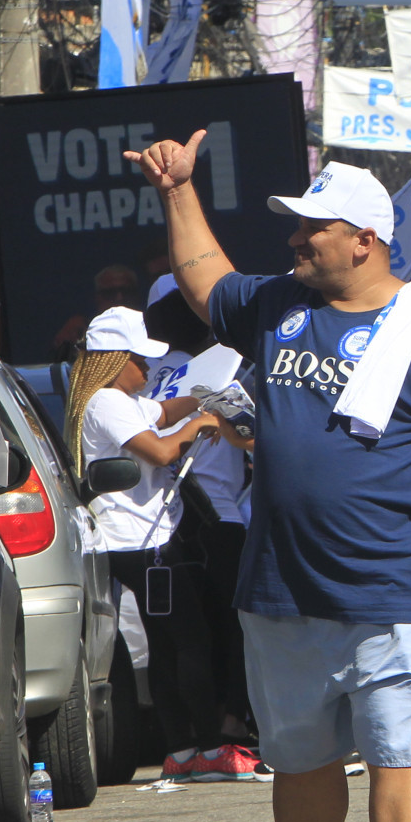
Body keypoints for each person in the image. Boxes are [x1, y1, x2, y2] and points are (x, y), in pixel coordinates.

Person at [124, 133, 411, 822]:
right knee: (301, 762)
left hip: (399, 590)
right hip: (281, 590)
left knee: (398, 755)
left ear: (365, 241)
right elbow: (205, 279)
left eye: (313, 228)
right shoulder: (279, 304)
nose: (294, 240)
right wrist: (176, 190)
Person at [64, 305, 246, 782]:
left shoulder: (116, 399)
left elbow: (164, 411)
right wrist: (201, 426)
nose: (148, 369)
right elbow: (162, 449)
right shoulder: (107, 401)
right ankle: (207, 748)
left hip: (144, 543)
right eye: (140, 360)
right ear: (113, 359)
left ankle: (183, 752)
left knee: (167, 646)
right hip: (145, 546)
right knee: (191, 644)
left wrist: (202, 398)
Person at [143, 273, 256, 745]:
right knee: (236, 631)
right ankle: (230, 725)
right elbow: (252, 435)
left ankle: (186, 737)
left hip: (158, 527)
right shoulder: (218, 373)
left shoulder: (140, 378)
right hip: (221, 521)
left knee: (175, 639)